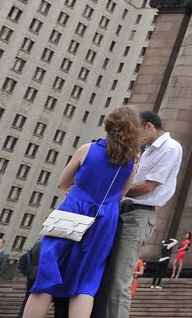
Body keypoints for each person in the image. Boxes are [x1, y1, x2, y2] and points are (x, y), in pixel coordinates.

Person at [22, 106, 141, 318]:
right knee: (86, 281)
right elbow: (120, 195)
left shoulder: (87, 149)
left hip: (73, 211)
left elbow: (63, 181)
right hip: (104, 221)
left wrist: (78, 194)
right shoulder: (131, 163)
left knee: (48, 275)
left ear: (108, 126)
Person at [95, 110, 183, 318]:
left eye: (137, 131)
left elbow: (147, 187)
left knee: (119, 280)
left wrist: (115, 190)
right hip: (123, 212)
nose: (135, 137)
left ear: (149, 126)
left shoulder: (170, 148)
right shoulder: (148, 150)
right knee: (107, 275)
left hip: (138, 216)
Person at [17, 242, 68, 318]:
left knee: (28, 302)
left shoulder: (40, 243)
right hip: (45, 277)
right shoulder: (55, 244)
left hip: (33, 275)